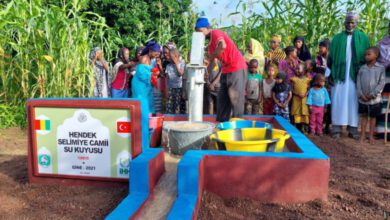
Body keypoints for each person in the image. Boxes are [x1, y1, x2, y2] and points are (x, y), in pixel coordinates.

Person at [195, 17, 247, 122]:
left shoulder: (215, 33)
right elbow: (213, 62)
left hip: (236, 67)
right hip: (226, 70)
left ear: (207, 28)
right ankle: (221, 126)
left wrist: (212, 55)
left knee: (236, 100)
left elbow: (222, 45)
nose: (200, 35)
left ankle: (238, 128)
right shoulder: (210, 46)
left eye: (200, 31)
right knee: (222, 100)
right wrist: (206, 73)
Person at [328, 12, 370, 139]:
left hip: (355, 75)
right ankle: (336, 128)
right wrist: (329, 74)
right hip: (339, 75)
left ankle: (353, 129)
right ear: (344, 22)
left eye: (352, 22)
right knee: (338, 99)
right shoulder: (337, 38)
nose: (350, 24)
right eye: (348, 22)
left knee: (353, 101)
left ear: (356, 23)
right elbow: (330, 58)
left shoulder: (363, 38)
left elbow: (367, 56)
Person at [357, 47, 386, 144]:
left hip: (375, 99)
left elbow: (381, 83)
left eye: (369, 54)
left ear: (376, 56)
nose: (366, 56)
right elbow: (358, 83)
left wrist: (372, 94)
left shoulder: (381, 68)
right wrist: (361, 94)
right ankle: (362, 135)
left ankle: (371, 136)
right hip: (362, 99)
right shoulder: (362, 68)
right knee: (364, 116)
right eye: (365, 54)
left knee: (373, 117)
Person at [132, 41, 161, 114]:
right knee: (142, 104)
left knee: (148, 102)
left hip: (146, 84)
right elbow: (141, 73)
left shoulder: (151, 59)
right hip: (140, 85)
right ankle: (142, 120)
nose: (156, 56)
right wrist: (153, 75)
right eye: (156, 54)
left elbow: (149, 70)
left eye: (158, 54)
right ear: (150, 51)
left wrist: (155, 72)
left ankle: (148, 119)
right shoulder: (144, 58)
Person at [376, 22, 390, 139]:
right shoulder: (382, 43)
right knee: (384, 104)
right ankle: (383, 131)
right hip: (385, 76)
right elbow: (378, 59)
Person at [315, 39, 332, 134]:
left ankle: (327, 125)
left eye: (322, 47)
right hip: (319, 84)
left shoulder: (332, 58)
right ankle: (317, 126)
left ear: (327, 48)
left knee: (328, 105)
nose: (320, 49)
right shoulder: (318, 58)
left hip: (329, 85)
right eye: (319, 47)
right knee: (319, 105)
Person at [290, 63, 311, 132]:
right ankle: (296, 127)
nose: (297, 70)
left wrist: (305, 94)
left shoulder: (307, 80)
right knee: (296, 113)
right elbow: (291, 89)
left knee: (304, 113)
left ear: (304, 70)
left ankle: (303, 127)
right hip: (296, 99)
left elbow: (309, 89)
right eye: (296, 68)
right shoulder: (293, 79)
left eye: (298, 68)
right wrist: (297, 94)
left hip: (304, 100)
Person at [165, 48, 186, 114]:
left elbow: (180, 73)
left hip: (179, 88)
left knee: (178, 108)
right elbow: (167, 78)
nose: (169, 58)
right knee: (170, 107)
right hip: (171, 89)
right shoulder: (168, 65)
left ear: (176, 56)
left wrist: (176, 63)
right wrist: (166, 89)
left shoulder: (182, 63)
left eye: (171, 57)